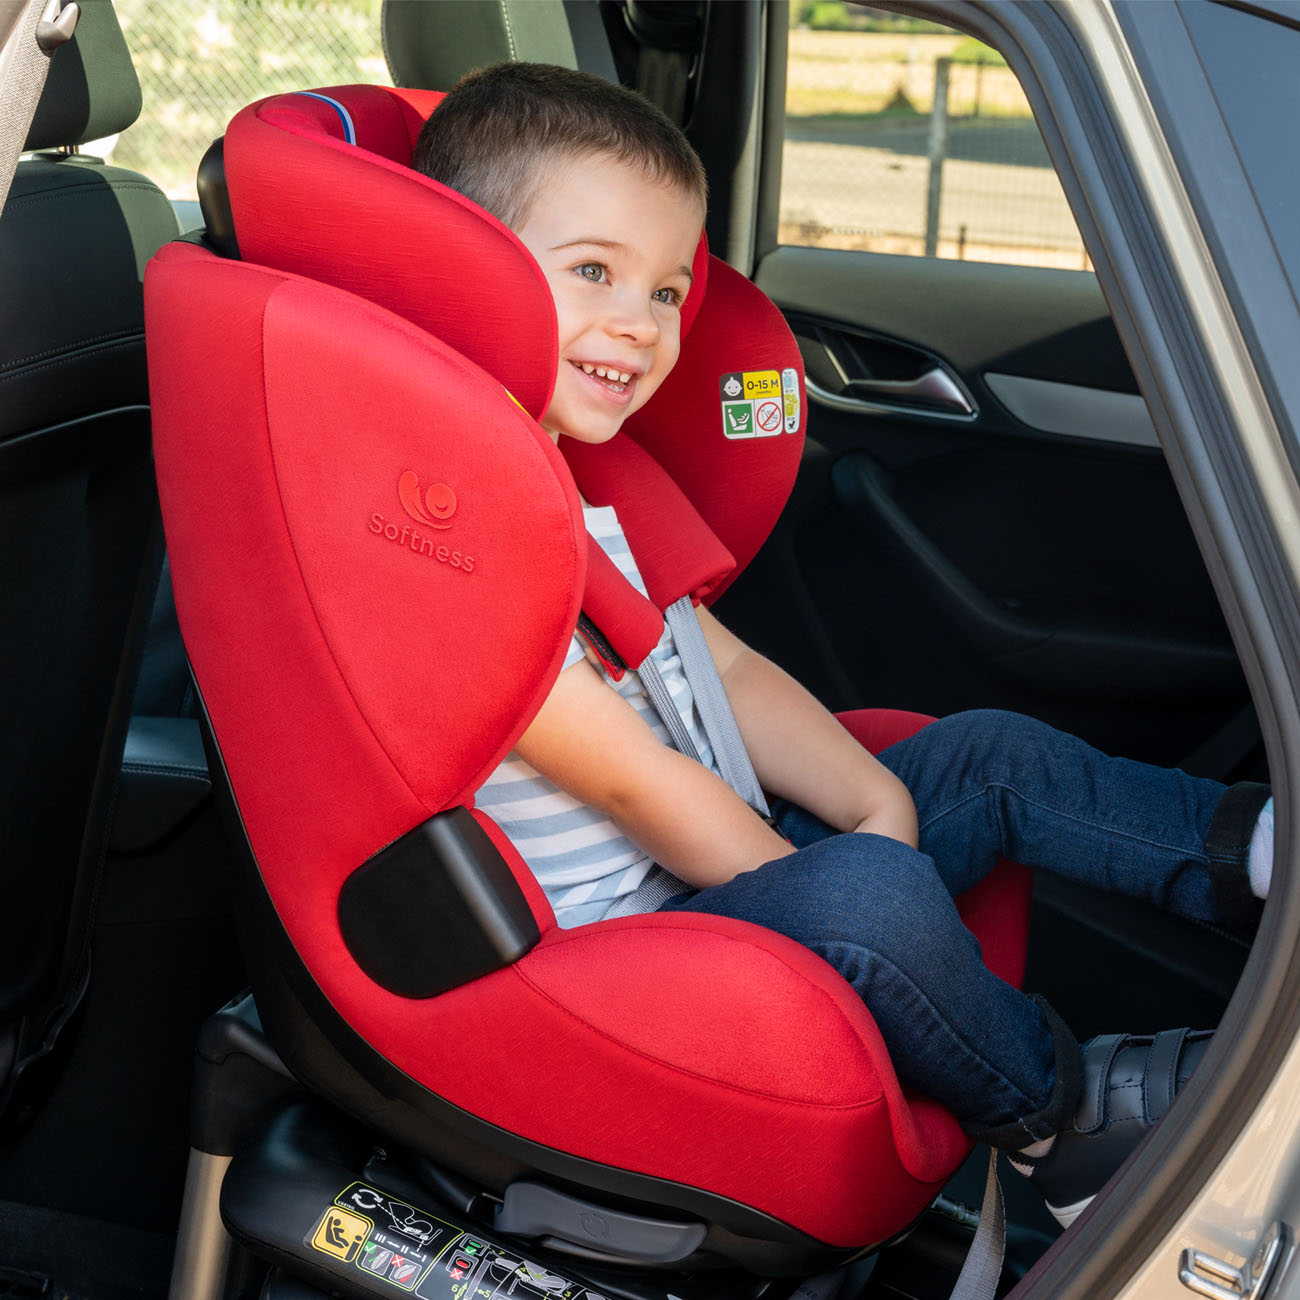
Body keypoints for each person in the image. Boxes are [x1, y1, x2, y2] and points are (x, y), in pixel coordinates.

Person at [411, 62, 1275, 1227]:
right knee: (865, 902)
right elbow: (629, 774)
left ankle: (1256, 851)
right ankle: (1057, 1125)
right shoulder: (453, 543)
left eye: (668, 291)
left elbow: (728, 670)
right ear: (463, 258)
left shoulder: (584, 487)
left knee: (986, 756)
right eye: (592, 273)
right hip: (635, 946)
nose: (640, 323)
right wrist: (847, 872)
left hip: (723, 852)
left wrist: (879, 809)